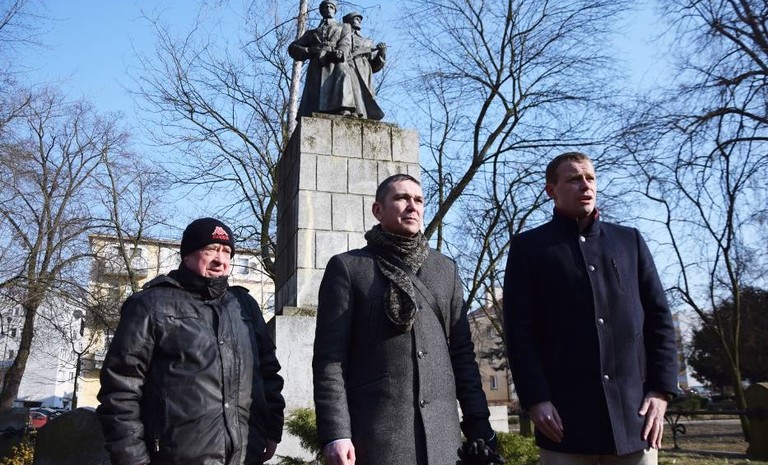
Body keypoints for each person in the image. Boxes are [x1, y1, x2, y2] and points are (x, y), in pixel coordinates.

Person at [503, 152, 678, 465]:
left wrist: (661, 391)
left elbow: (659, 320)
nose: (585, 185)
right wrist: (536, 399)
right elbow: (519, 333)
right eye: (574, 179)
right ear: (551, 190)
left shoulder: (629, 241)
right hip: (563, 421)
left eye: (590, 178)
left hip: (634, 420)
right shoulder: (528, 248)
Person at [313, 174, 498, 465]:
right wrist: (336, 433)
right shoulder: (349, 268)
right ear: (378, 210)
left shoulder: (445, 270)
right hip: (377, 439)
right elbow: (330, 360)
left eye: (419, 200)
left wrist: (479, 424)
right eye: (401, 198)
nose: (413, 206)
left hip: (444, 442)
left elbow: (462, 354)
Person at [97, 218, 285, 465]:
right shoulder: (149, 304)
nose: (220, 259)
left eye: (227, 252)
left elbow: (268, 373)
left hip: (245, 456)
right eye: (211, 250)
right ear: (187, 255)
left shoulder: (244, 305)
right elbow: (120, 389)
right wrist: (133, 459)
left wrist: (271, 430)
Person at [288, 0, 357, 118]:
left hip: (336, 61)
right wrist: (309, 51)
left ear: (335, 10)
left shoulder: (344, 27)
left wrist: (340, 52)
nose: (328, 9)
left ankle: (344, 108)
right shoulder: (311, 33)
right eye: (325, 7)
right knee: (316, 90)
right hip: (317, 64)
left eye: (331, 7)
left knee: (343, 75)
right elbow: (293, 48)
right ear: (321, 11)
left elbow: (345, 43)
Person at [342, 11, 386, 120]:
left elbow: (375, 65)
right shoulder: (341, 37)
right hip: (348, 67)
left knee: (364, 95)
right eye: (356, 19)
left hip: (364, 71)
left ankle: (364, 115)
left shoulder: (367, 42)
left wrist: (382, 53)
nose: (359, 21)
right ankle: (351, 112)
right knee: (351, 91)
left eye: (360, 19)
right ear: (348, 21)